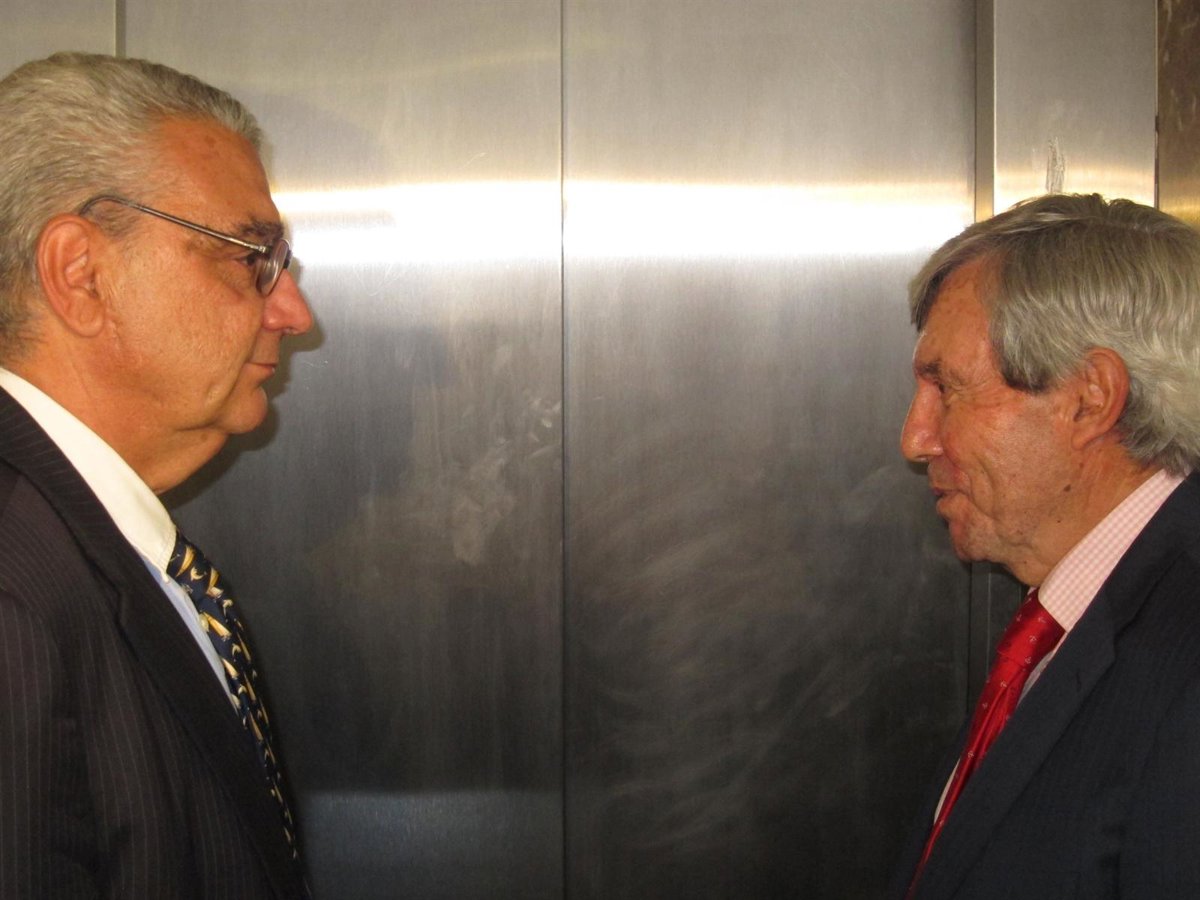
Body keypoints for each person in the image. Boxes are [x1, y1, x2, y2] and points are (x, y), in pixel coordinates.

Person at [0, 53, 313, 898]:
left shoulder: (73, 538)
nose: (293, 311)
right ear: (81, 275)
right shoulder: (12, 593)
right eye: (250, 257)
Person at [890, 192, 1200, 899]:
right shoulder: (1072, 612)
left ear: (1089, 398)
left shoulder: (1185, 662)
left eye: (947, 388)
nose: (915, 439)